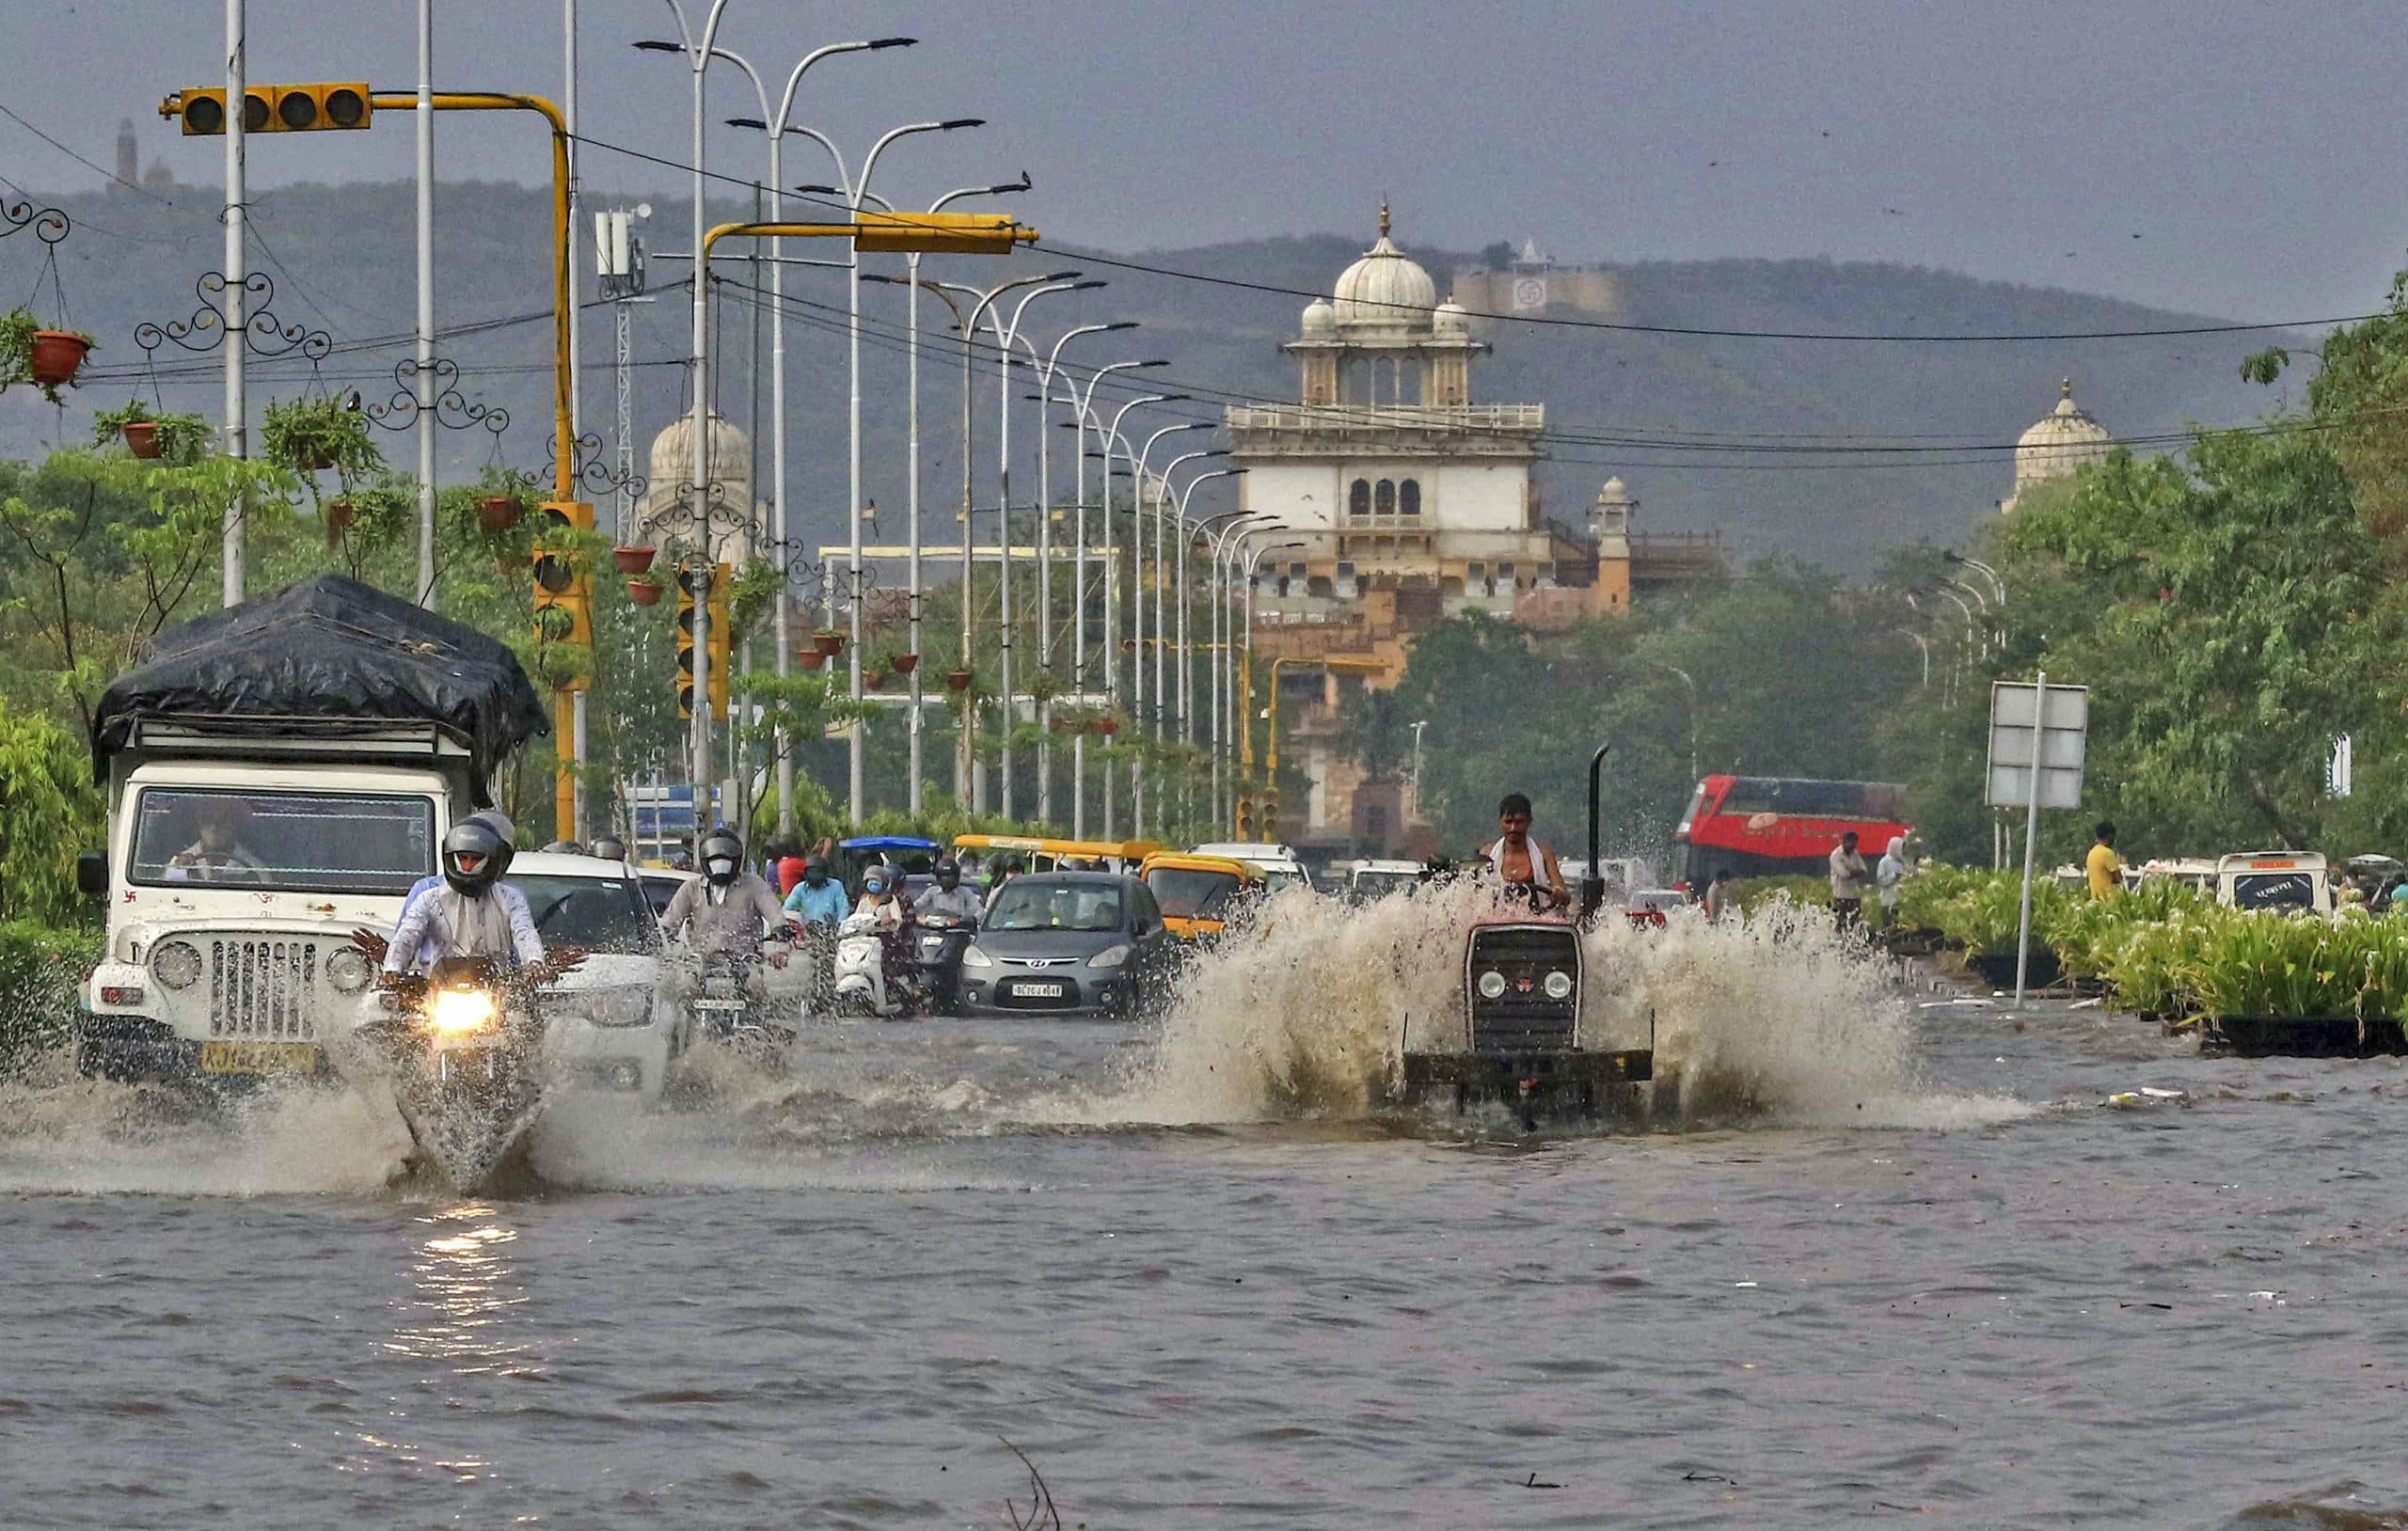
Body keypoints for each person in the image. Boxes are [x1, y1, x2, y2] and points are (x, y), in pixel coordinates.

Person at [379, 813, 566, 979]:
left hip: (499, 991)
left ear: (492, 859)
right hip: (438, 992)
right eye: (463, 858)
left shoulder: (510, 898)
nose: (468, 866)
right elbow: (408, 934)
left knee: (522, 1018)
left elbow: (524, 932)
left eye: (476, 859)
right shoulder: (429, 898)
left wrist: (534, 961)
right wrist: (392, 968)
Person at [659, 828, 791, 971]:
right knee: (687, 987)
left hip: (745, 959)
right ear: (705, 861)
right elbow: (669, 923)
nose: (720, 867)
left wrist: (780, 950)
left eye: (725, 862)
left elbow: (776, 917)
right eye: (714, 861)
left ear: (736, 861)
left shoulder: (754, 885)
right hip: (701, 961)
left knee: (755, 984)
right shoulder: (691, 888)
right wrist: (664, 949)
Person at [1483, 792, 1569, 908]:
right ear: (1500, 822)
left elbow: (1564, 894)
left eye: (1519, 822)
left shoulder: (1543, 854)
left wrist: (1559, 893)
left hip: (1536, 922)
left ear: (1529, 821)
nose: (1513, 828)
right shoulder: (1488, 854)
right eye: (1508, 822)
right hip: (1496, 923)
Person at [166, 797, 269, 883]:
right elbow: (167, 898)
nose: (214, 827)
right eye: (208, 819)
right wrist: (179, 870)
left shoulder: (255, 868)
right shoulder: (179, 863)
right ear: (199, 823)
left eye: (222, 821)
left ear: (233, 824)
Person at [782, 855, 851, 928]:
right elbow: (787, 909)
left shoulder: (836, 886)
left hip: (831, 929)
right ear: (805, 873)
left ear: (825, 873)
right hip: (808, 930)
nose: (814, 876)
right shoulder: (800, 888)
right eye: (811, 872)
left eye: (818, 873)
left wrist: (839, 925)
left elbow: (843, 908)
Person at [916, 858, 985, 924]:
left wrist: (970, 921)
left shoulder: (965, 892)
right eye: (944, 876)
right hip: (933, 930)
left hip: (958, 930)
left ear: (957, 877)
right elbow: (918, 905)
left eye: (950, 876)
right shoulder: (931, 892)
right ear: (938, 878)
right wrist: (917, 917)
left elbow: (980, 911)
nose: (947, 880)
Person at [1829, 830, 1871, 930]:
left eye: (1854, 843)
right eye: (1850, 842)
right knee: (1841, 923)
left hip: (1854, 894)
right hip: (1841, 895)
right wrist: (1855, 872)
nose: (1853, 845)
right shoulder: (1835, 855)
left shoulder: (1854, 853)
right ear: (1844, 841)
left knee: (1854, 923)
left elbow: (1864, 869)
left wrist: (1852, 872)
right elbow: (1844, 874)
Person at [854, 862, 911, 933]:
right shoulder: (863, 901)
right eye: (870, 880)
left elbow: (898, 920)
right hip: (866, 937)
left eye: (876, 880)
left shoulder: (890, 900)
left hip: (885, 937)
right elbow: (855, 920)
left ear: (884, 883)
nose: (873, 883)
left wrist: (890, 920)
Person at [1876, 834, 1917, 927]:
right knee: (1889, 925)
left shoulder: (1903, 862)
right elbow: (1881, 880)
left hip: (1901, 899)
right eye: (1901, 847)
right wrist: (1894, 876)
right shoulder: (1884, 862)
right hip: (1888, 900)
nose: (1903, 850)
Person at [2085, 821, 2125, 900]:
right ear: (2109, 835)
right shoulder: (2108, 853)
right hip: (2108, 899)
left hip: (2095, 899)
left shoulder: (2091, 853)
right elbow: (2118, 878)